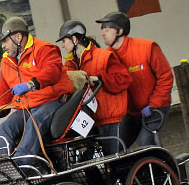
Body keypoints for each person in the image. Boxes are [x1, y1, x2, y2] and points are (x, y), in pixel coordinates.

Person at [0, 17, 69, 166]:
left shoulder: (44, 48)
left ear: (18, 37)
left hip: (52, 101)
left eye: (5, 41)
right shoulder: (6, 61)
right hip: (27, 106)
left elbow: (52, 71)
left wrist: (31, 84)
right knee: (5, 127)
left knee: (35, 123)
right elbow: (5, 90)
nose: (3, 46)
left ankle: (20, 166)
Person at [95, 11, 173, 148]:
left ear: (120, 31)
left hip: (155, 108)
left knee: (146, 143)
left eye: (107, 30)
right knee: (115, 146)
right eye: (102, 30)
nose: (103, 34)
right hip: (131, 113)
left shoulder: (147, 48)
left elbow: (165, 77)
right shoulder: (107, 57)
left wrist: (154, 104)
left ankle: (159, 168)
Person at [58, 20, 131, 155]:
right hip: (93, 121)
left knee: (117, 161)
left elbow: (124, 79)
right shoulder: (71, 64)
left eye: (64, 41)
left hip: (113, 118)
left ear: (74, 39)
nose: (62, 45)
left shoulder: (103, 56)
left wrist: (100, 79)